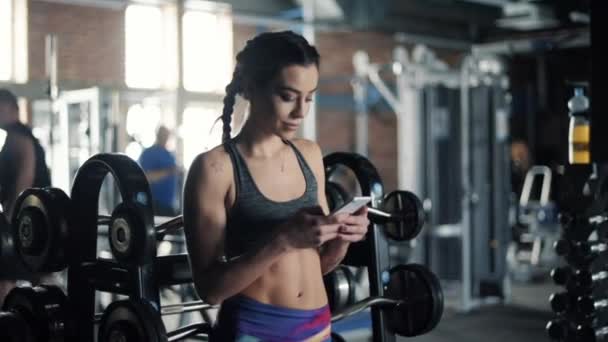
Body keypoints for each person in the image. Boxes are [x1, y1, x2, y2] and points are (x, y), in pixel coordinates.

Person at [182, 31, 369, 341]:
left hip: (318, 325)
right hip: (256, 329)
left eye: (309, 97)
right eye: (287, 96)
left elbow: (318, 264)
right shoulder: (215, 169)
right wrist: (282, 240)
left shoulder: (308, 154)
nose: (301, 112)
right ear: (252, 88)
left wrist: (342, 239)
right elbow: (210, 290)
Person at [0, 88, 52, 306]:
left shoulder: (18, 137)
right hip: (32, 218)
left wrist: (9, 226)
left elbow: (25, 178)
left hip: (28, 219)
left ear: (12, 109)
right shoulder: (17, 136)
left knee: (5, 280)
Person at [139, 125, 179, 216]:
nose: (165, 138)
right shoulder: (148, 153)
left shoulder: (169, 154)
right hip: (155, 204)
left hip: (169, 204)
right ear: (157, 135)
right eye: (163, 135)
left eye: (166, 135)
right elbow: (147, 177)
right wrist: (168, 171)